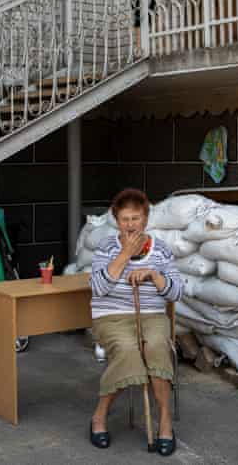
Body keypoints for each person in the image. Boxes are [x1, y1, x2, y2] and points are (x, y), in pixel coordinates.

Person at [89, 188, 183, 457]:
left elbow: (176, 292)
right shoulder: (107, 247)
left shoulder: (161, 250)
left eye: (136, 218)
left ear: (146, 219)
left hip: (152, 316)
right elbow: (97, 288)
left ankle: (164, 422)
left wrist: (154, 275)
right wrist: (124, 256)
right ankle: (99, 416)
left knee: (155, 347)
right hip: (112, 317)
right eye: (124, 219)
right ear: (116, 220)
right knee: (128, 351)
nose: (130, 225)